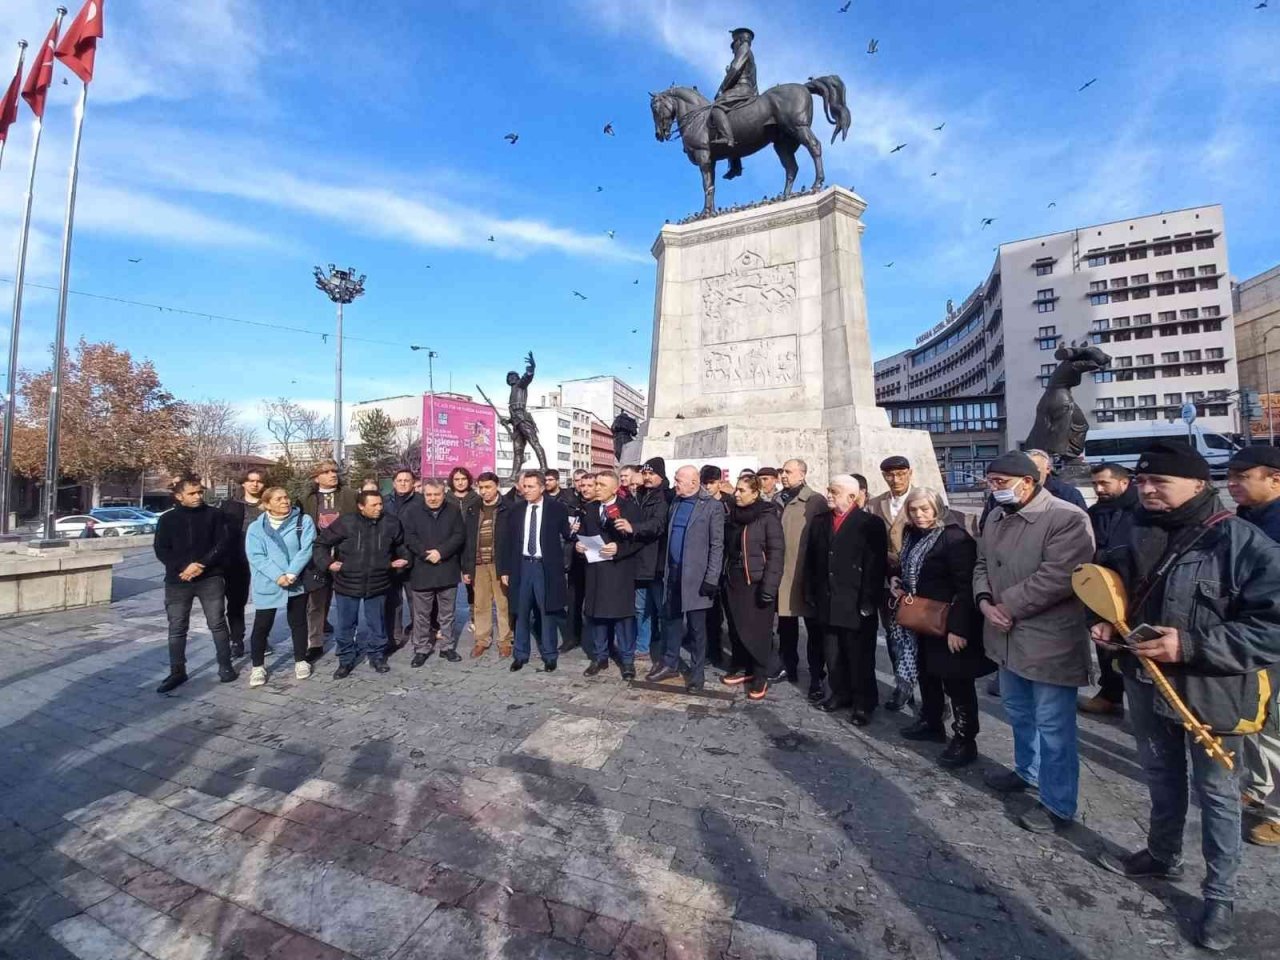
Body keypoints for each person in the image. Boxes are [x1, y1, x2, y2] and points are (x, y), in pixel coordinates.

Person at [1093, 440, 1280, 951]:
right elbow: (1112, 586)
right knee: (1160, 773)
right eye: (1143, 481)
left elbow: (1272, 627)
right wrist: (1106, 623)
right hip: (1144, 678)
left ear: (1200, 484)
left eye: (1160, 482)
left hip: (1213, 691)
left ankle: (1219, 896)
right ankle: (1161, 853)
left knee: (1218, 795)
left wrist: (1191, 644)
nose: (1147, 489)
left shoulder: (1243, 543)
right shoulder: (1135, 528)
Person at [973, 451, 1095, 834]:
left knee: (1054, 726)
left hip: (1048, 640)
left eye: (1000, 483)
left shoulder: (1066, 517)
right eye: (989, 482)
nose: (993, 490)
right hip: (1004, 635)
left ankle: (1058, 804)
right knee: (1019, 712)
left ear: (1027, 482)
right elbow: (981, 564)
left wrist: (1007, 605)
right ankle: (1027, 771)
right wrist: (984, 602)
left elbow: (1059, 576)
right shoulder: (994, 516)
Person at [891, 488, 992, 766]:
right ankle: (931, 721)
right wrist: (896, 581)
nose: (919, 515)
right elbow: (907, 567)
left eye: (925, 509)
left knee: (957, 682)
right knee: (927, 674)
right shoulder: (912, 534)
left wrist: (958, 629)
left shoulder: (955, 538)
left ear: (937, 508)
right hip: (920, 617)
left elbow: (965, 586)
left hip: (948, 620)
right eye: (913, 510)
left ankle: (964, 738)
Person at [1225, 445, 1280, 849]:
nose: (1231, 484)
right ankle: (1257, 787)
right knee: (1255, 720)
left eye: (1242, 477)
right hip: (1247, 636)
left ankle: (1278, 814)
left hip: (1273, 637)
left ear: (1274, 478)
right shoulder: (1244, 517)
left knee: (1276, 725)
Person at [806, 475, 887, 726]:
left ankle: (864, 703)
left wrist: (868, 601)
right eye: (828, 490)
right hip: (827, 600)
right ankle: (839, 693)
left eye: (834, 491)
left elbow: (875, 565)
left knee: (859, 656)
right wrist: (810, 593)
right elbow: (812, 560)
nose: (828, 495)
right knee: (833, 653)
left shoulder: (870, 523)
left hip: (855, 602)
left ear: (852, 497)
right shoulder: (820, 522)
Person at [313, 490, 411, 678]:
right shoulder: (346, 523)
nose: (379, 508)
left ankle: (377, 656)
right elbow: (320, 544)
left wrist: (402, 561)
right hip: (347, 583)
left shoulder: (390, 523)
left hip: (378, 583)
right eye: (373, 505)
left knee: (377, 624)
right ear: (361, 506)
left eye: (380, 504)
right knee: (346, 625)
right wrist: (328, 563)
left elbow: (401, 546)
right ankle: (346, 659)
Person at [153, 476, 235, 693]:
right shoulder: (167, 519)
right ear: (179, 496)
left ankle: (225, 666)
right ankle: (177, 671)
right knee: (177, 627)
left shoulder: (215, 515)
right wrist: (184, 568)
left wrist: (201, 565)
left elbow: (223, 543)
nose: (198, 496)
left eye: (199, 492)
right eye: (192, 493)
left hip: (210, 577)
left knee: (217, 623)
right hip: (178, 581)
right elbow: (161, 549)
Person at [648, 465, 725, 692]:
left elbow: (717, 545)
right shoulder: (675, 503)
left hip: (697, 578)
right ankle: (670, 663)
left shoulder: (712, 506)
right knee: (670, 621)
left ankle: (697, 673)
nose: (675, 483)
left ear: (694, 482)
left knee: (696, 629)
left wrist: (712, 578)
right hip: (673, 574)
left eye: (679, 480)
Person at [498, 470, 574, 672]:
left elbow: (567, 535)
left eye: (531, 487)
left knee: (546, 611)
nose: (526, 490)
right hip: (521, 566)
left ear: (542, 488)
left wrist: (576, 531)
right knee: (521, 612)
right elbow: (507, 542)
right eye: (525, 486)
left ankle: (549, 654)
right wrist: (505, 569)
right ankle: (520, 654)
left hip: (544, 567)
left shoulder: (556, 509)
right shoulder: (516, 510)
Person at [1078, 462, 1138, 717]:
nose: (1098, 488)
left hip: (1133, 588)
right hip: (1102, 588)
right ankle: (1110, 694)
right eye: (1095, 484)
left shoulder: (1141, 511)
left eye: (1104, 483)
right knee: (1105, 644)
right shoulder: (1095, 512)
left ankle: (1139, 705)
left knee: (1133, 646)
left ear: (1124, 482)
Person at [244, 486, 317, 687]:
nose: (285, 501)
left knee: (298, 622)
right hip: (268, 581)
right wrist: (278, 576)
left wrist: (291, 573)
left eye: (286, 497)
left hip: (296, 580)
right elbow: (257, 556)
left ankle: (301, 660)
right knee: (262, 625)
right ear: (267, 504)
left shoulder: (303, 520)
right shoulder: (256, 528)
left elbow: (307, 548)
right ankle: (258, 666)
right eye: (278, 499)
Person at [721, 474, 784, 700]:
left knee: (758, 629)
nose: (736, 494)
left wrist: (770, 585)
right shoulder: (732, 515)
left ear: (755, 493)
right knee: (737, 626)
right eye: (736, 490)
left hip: (756, 581)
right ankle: (741, 664)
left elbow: (777, 553)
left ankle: (760, 672)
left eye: (742, 491)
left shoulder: (767, 517)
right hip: (734, 578)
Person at [577, 470, 644, 680]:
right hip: (596, 571)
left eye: (602, 485)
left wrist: (619, 548)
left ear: (615, 489)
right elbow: (583, 537)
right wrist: (578, 547)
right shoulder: (589, 509)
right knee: (597, 617)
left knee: (623, 618)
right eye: (596, 484)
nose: (596, 488)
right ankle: (599, 657)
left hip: (619, 571)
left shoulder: (629, 508)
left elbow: (638, 541)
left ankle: (627, 661)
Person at [866, 456, 920, 711]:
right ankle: (902, 686)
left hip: (918, 583)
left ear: (910, 473)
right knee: (893, 635)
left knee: (922, 636)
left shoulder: (923, 499)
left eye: (900, 474)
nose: (895, 479)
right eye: (889, 475)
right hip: (887, 581)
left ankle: (933, 695)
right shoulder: (875, 503)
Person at [400, 479, 467, 666]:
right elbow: (409, 536)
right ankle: (421, 648)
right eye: (429, 494)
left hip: (447, 568)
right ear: (423, 494)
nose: (433, 498)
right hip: (422, 568)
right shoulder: (412, 511)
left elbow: (459, 535)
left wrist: (441, 552)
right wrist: (425, 553)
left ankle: (447, 647)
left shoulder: (453, 510)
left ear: (443, 494)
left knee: (447, 613)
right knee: (421, 614)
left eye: (437, 494)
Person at [777, 458, 829, 696]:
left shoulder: (815, 501)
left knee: (814, 629)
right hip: (783, 572)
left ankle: (817, 675)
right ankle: (788, 666)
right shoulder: (777, 499)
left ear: (802, 474)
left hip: (806, 574)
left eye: (788, 471)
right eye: (782, 471)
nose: (784, 475)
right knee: (786, 626)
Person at [302, 460, 358, 660]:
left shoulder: (350, 495)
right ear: (316, 477)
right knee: (317, 601)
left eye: (334, 471)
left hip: (346, 556)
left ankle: (348, 640)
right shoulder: (307, 499)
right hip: (317, 557)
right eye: (326, 472)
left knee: (347, 601)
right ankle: (315, 642)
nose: (332, 474)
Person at [463, 472, 513, 658]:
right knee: (481, 604)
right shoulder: (473, 508)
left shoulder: (508, 507)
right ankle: (482, 639)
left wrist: (508, 567)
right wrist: (466, 568)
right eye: (481, 487)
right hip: (478, 563)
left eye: (488, 487)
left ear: (497, 486)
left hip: (500, 563)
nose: (484, 491)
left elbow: (513, 540)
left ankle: (505, 640)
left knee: (503, 603)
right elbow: (466, 539)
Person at [218, 469, 266, 659]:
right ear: (244, 483)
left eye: (259, 481)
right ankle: (237, 639)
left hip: (264, 560)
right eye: (251, 481)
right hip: (237, 560)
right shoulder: (230, 506)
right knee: (237, 602)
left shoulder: (270, 504)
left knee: (265, 601)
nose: (255, 484)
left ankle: (262, 637)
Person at [632, 459, 671, 662]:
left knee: (661, 609)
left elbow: (657, 524)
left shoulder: (666, 496)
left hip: (657, 561)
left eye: (651, 474)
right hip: (640, 560)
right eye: (645, 473)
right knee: (640, 608)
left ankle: (666, 650)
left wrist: (633, 528)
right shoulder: (639, 494)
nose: (647, 477)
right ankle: (642, 645)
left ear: (661, 476)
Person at [381, 468, 419, 651]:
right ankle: (393, 638)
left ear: (413, 483)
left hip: (414, 558)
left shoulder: (420, 502)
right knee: (393, 601)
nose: (403, 483)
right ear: (393, 482)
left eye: (407, 480)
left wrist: (409, 557)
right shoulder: (384, 502)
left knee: (416, 600)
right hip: (390, 559)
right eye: (400, 480)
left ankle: (418, 638)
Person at [1027, 449, 1088, 513]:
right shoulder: (1018, 491)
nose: (1028, 473)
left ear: (1047, 469)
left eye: (1034, 468)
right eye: (1025, 468)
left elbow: (1082, 520)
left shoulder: (1068, 494)